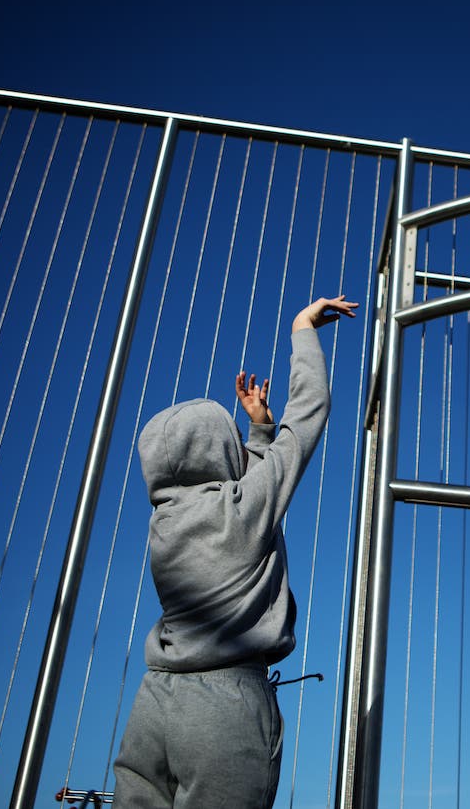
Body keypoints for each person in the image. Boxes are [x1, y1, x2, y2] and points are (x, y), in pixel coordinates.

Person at [113, 295, 359, 808]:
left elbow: (236, 492)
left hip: (155, 701)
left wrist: (258, 434)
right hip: (225, 709)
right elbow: (309, 416)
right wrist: (301, 330)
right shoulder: (242, 510)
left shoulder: (164, 522)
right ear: (219, 452)